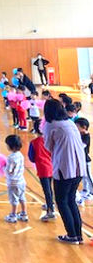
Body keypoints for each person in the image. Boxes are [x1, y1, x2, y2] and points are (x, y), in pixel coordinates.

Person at [43, 99, 86, 244]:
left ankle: (71, 235)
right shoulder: (70, 123)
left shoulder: (51, 125)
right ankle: (77, 235)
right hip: (78, 168)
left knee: (62, 201)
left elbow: (48, 146)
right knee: (71, 200)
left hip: (64, 168)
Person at [28, 124, 55, 221]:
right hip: (52, 166)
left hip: (43, 168)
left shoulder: (34, 142)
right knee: (49, 188)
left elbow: (31, 157)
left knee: (46, 190)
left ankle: (50, 211)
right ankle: (50, 204)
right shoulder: (51, 140)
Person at [3, 135, 28, 223]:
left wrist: (3, 167)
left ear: (11, 146)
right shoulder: (20, 155)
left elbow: (9, 171)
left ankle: (13, 215)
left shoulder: (10, 158)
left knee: (14, 199)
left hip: (13, 182)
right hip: (21, 180)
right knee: (22, 197)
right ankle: (24, 214)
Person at [75, 118, 93, 204]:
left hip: (85, 160)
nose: (76, 127)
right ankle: (86, 190)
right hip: (80, 160)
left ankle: (92, 192)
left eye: (77, 126)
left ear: (84, 127)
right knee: (83, 177)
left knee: (88, 177)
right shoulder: (78, 134)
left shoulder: (86, 136)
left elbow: (82, 146)